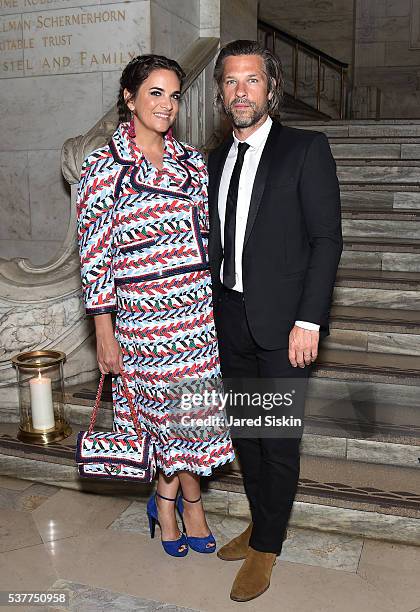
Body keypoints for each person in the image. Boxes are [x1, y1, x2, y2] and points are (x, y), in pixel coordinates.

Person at [76, 54, 235, 558]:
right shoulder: (104, 169)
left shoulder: (193, 162)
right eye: (155, 93)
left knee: (193, 418)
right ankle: (180, 506)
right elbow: (94, 256)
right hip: (142, 321)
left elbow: (212, 241)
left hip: (196, 314)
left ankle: (176, 501)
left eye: (174, 95)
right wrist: (104, 332)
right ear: (129, 98)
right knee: (162, 422)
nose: (167, 105)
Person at [208, 40, 342, 601]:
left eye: (252, 81)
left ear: (272, 89)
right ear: (220, 93)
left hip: (285, 323)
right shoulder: (213, 159)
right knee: (247, 434)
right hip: (229, 316)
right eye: (231, 82)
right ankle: (262, 520)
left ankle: (268, 545)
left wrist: (309, 320)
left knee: (278, 439)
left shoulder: (305, 150)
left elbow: (326, 240)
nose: (241, 92)